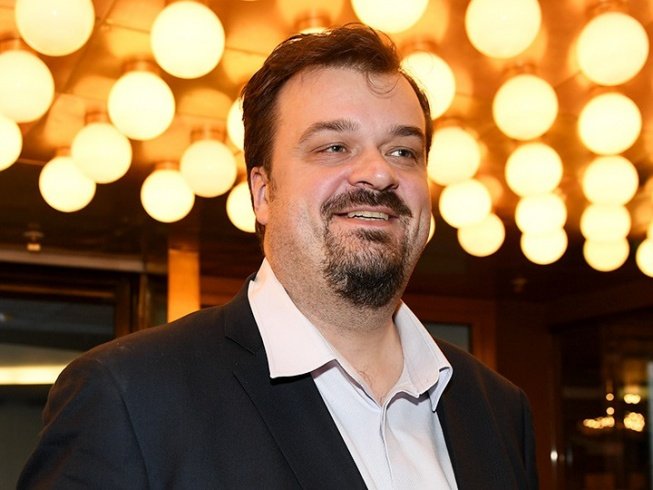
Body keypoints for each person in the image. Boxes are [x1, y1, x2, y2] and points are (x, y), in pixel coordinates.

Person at [19, 25, 538, 489]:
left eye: (403, 151)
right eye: (333, 146)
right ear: (263, 193)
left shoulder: (497, 409)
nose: (379, 173)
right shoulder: (129, 398)